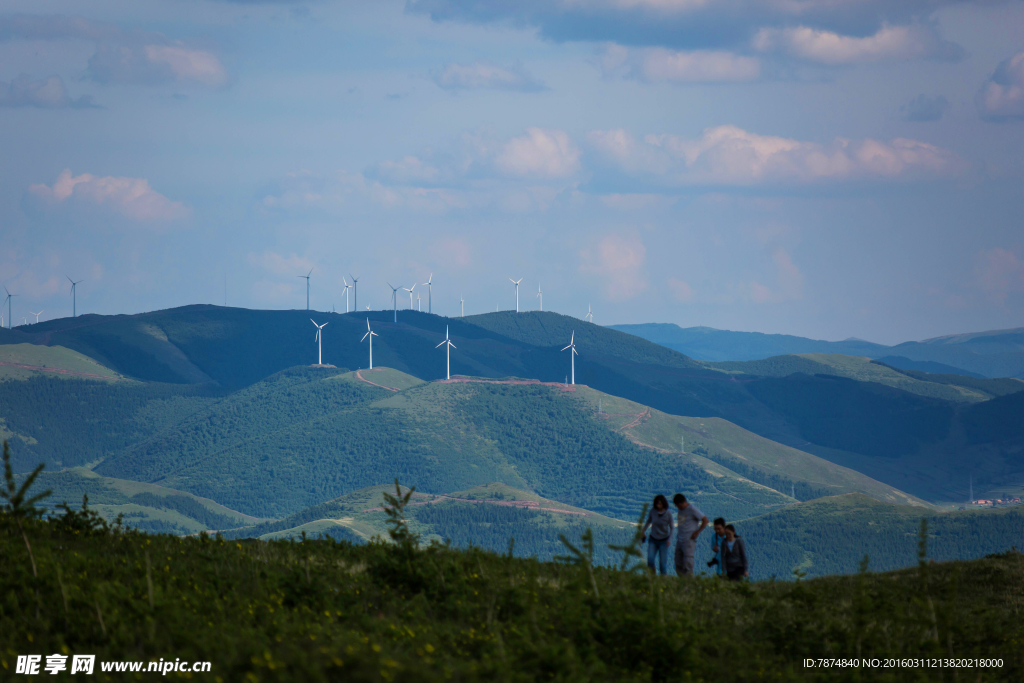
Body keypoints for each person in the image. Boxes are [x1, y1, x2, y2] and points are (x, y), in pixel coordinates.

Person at [672, 493, 708, 577]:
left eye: (679, 505)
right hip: (680, 539)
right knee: (678, 561)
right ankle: (682, 580)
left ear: (684, 502)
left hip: (689, 540)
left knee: (687, 561)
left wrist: (697, 532)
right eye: (677, 506)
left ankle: (689, 581)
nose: (678, 507)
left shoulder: (692, 509)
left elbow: (705, 520)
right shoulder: (680, 509)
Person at [641, 494, 673, 575]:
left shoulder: (668, 514)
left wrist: (669, 539)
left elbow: (672, 527)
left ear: (664, 504)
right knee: (650, 560)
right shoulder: (653, 511)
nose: (658, 506)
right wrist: (643, 530)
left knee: (662, 564)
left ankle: (663, 581)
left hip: (664, 541)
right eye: (657, 504)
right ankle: (653, 576)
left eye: (660, 504)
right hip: (653, 539)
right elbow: (649, 521)